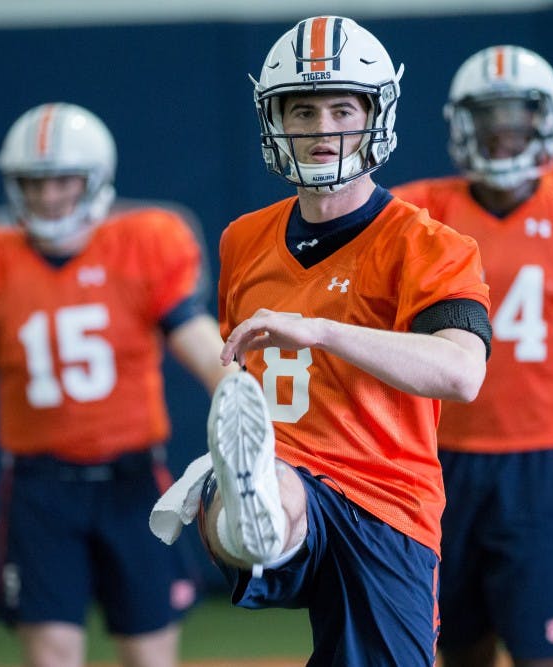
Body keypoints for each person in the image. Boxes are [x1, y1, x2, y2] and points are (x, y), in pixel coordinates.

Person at [151, 16, 491, 666]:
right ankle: (249, 514)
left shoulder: (428, 243)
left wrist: (323, 330)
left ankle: (252, 513)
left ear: (375, 115)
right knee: (270, 493)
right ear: (275, 119)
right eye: (302, 109)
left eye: (342, 107)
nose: (322, 127)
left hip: (386, 495)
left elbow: (461, 372)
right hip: (293, 474)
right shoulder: (243, 240)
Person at [0, 102, 233, 667]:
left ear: (95, 179)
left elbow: (212, 359)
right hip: (40, 489)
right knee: (50, 659)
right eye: (33, 181)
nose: (46, 196)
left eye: (62, 179)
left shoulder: (143, 247)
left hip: (134, 484)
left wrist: (251, 434)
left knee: (149, 657)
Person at [392, 45, 553, 667]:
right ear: (463, 125)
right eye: (490, 120)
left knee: (544, 651)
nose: (503, 136)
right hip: (439, 459)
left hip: (544, 462)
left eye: (517, 121)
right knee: (457, 647)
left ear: (548, 124)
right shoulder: (421, 212)